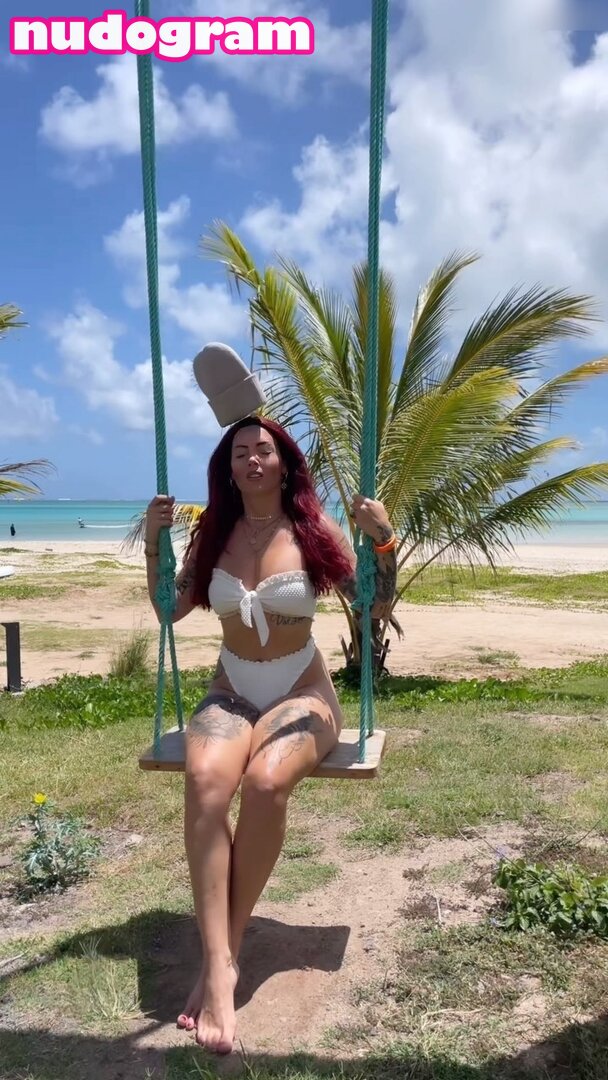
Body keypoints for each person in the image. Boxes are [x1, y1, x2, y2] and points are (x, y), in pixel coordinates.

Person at [144, 417, 397, 1054]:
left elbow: (373, 606)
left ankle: (224, 955)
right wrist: (153, 541)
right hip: (231, 688)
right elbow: (169, 609)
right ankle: (219, 961)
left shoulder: (313, 530)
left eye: (264, 450)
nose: (253, 460)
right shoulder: (213, 534)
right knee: (206, 782)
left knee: (263, 783)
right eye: (240, 452)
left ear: (284, 463)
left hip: (301, 692)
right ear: (228, 468)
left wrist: (384, 541)